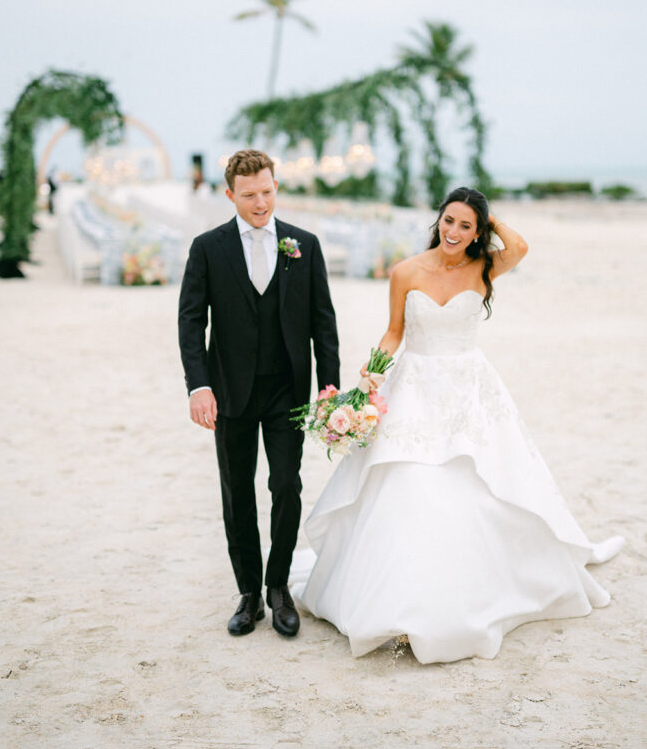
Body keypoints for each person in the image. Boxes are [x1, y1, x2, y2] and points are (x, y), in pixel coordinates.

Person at [293, 187, 623, 664]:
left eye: (466, 226)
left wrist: (488, 220)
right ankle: (398, 602)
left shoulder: (485, 266)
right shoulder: (406, 270)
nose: (454, 232)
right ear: (438, 220)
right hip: (414, 388)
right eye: (449, 221)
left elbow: (520, 248)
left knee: (484, 482)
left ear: (478, 231)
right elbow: (394, 332)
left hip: (470, 391)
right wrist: (369, 379)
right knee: (407, 484)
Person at [178, 149, 340, 639]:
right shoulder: (208, 247)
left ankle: (278, 588)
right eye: (249, 195)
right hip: (229, 392)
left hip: (288, 390)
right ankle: (249, 593)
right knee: (237, 491)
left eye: (267, 192)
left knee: (286, 486)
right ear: (230, 195)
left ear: (275, 187)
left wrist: (329, 388)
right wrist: (198, 385)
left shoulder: (303, 245)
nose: (260, 202)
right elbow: (191, 321)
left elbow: (323, 324)